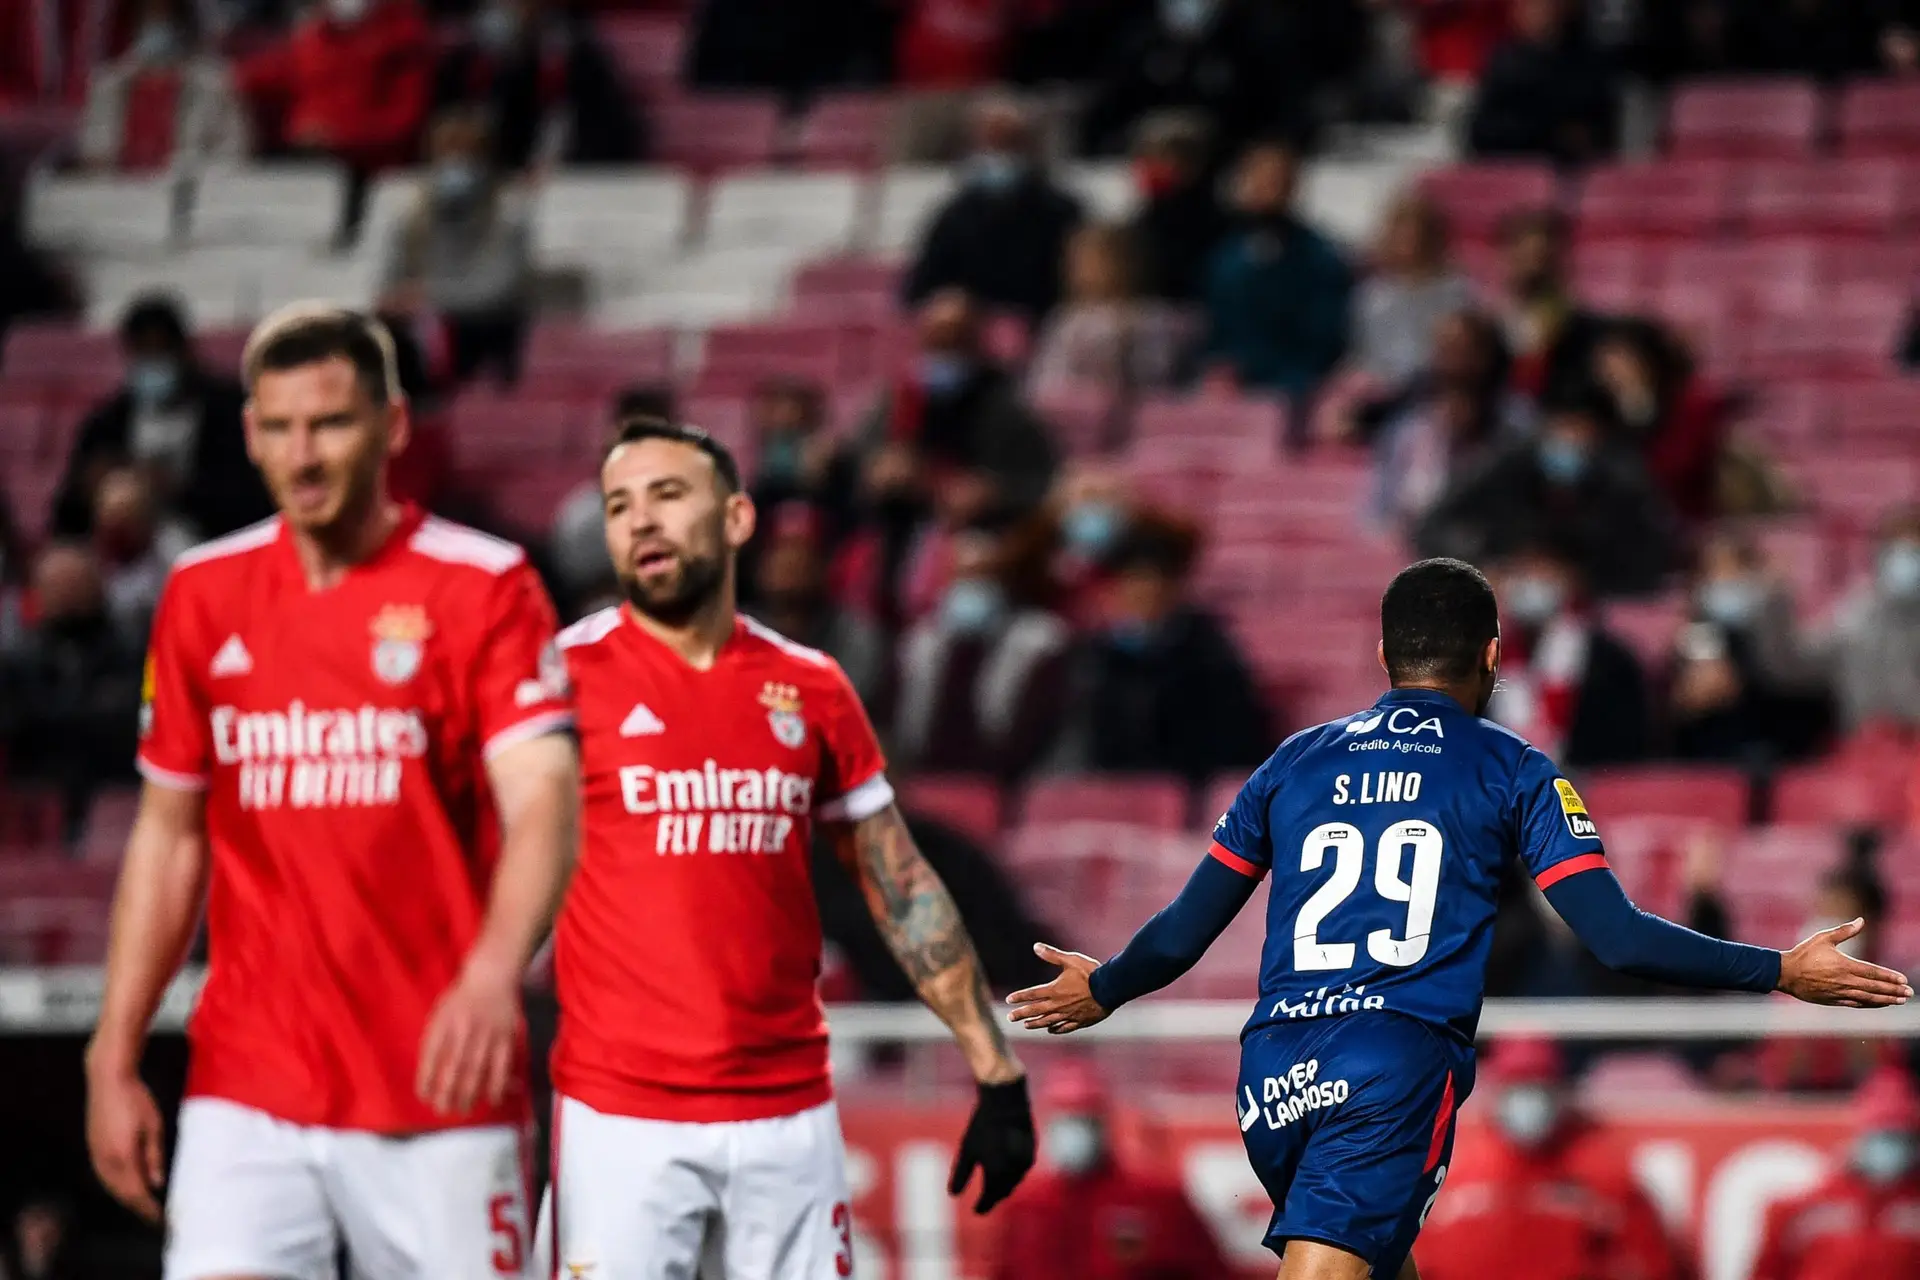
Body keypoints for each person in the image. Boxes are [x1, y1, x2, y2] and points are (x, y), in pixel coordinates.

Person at [1007, 557, 1911, 1280]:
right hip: (1390, 1067)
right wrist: (1782, 971)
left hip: (1271, 1072)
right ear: (1491, 657)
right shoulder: (1516, 770)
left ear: (1382, 658)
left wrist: (1106, 987)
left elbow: (1177, 933)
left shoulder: (1290, 763)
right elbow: (1618, 937)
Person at [84, 305, 579, 1277]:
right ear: (250, 435)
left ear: (393, 426)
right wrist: (114, 1049)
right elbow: (169, 834)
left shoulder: (484, 586)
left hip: (440, 1080)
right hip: (248, 1082)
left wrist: (490, 974)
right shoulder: (202, 592)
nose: (302, 454)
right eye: (279, 427)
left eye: (331, 424)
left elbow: (546, 807)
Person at [538, 415, 1036, 1276]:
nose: (642, 521)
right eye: (620, 506)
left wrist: (992, 1063)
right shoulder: (556, 679)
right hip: (619, 1115)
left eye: (667, 495)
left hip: (785, 1117)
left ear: (735, 520)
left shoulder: (810, 686)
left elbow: (899, 882)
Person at [1416, 1038, 1686, 1280]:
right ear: (1496, 1089)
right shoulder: (1451, 1173)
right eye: (1516, 1084)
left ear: (1561, 1088)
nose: (1529, 1098)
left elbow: (1651, 1265)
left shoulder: (1606, 1177)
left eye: (1540, 1083)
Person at [1045, 513, 1270, 784]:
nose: (1142, 594)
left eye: (1152, 582)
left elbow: (1232, 744)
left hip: (1187, 792)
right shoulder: (1093, 656)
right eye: (1131, 582)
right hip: (1107, 788)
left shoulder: (1211, 654)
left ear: (1174, 587)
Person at [1415, 388, 1678, 598]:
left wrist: (1583, 576)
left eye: (1580, 430)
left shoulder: (1623, 483)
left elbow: (1655, 557)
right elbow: (1432, 527)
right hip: (1502, 590)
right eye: (1561, 427)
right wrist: (1486, 563)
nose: (1569, 439)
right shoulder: (1503, 466)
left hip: (1589, 607)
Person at [51, 294, 268, 545]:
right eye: (143, 354)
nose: (152, 366)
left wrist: (175, 489)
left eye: (160, 352)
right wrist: (87, 491)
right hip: (123, 556)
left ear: (184, 352)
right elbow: (65, 519)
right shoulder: (107, 423)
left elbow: (252, 501)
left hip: (207, 540)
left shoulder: (229, 412)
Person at [990, 1059, 1231, 1280]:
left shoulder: (1157, 1198)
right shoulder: (1027, 1206)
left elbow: (1208, 1270)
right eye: (1064, 1118)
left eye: (1083, 1119)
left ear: (1102, 1122)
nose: (1072, 1132)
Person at [893, 518, 1072, 778]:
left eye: (985, 574)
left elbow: (1039, 732)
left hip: (1007, 784)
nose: (974, 585)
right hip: (924, 781)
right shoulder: (919, 643)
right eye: (964, 575)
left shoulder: (1041, 640)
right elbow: (896, 729)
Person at [379, 107, 534, 384]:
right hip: (423, 330)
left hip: (483, 331)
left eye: (467, 153)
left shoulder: (509, 213)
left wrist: (430, 296)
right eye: (447, 152)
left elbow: (500, 289)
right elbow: (391, 281)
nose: (455, 162)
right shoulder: (412, 214)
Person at [0, 544, 145, 838]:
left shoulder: (134, 651)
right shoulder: (17, 661)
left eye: (75, 582)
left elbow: (135, 723)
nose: (66, 593)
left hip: (120, 793)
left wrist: (54, 717)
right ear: (36, 593)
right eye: (55, 585)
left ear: (99, 586)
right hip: (38, 800)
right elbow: (17, 730)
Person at [903, 96, 1085, 322]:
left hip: (1048, 326)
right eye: (990, 143)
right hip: (972, 334)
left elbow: (1082, 285)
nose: (998, 155)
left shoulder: (1063, 212)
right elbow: (918, 290)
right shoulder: (954, 216)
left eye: (1009, 143)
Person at [1200, 137, 1354, 404]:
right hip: (1230, 384)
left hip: (1296, 382)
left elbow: (1324, 335)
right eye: (1259, 178)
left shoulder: (1320, 257)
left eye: (1277, 180)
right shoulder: (1221, 253)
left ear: (1294, 185)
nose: (1267, 189)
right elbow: (1215, 327)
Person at [1666, 530, 1828, 763]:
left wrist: (1773, 607)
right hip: (1716, 757)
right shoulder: (1698, 629)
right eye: (1716, 571)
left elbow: (1794, 676)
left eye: (1736, 569)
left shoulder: (1776, 623)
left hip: (1782, 752)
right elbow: (1705, 687)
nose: (1726, 579)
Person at [1484, 539, 1650, 767]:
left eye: (1543, 571)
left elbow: (1628, 748)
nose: (1530, 581)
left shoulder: (1609, 660)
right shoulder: (1486, 661)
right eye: (1521, 570)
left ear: (1571, 579)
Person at [1751, 1066, 1920, 1279]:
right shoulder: (1802, 1209)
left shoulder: (1914, 1208)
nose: (1889, 1145)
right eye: (1880, 1133)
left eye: (1899, 1137)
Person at [433, 0, 641, 171]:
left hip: (565, 190)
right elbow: (437, 134)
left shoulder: (578, 58)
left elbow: (615, 144)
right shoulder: (466, 62)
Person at [78, 0, 248, 172]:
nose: (158, 25)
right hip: (119, 193)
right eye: (149, 17)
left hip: (189, 191)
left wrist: (188, 174)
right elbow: (93, 154)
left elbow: (232, 155)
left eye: (167, 17)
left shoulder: (215, 84)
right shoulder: (107, 86)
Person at [750, 501, 887, 710]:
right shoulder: (734, 632)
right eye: (779, 550)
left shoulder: (854, 636)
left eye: (802, 552)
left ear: (824, 564)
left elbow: (846, 717)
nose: (789, 563)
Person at [1590, 317, 1727, 526]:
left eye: (1619, 357)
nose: (1610, 368)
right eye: (1605, 359)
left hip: (1686, 518)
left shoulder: (1691, 407)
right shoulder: (1597, 415)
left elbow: (1678, 467)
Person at [1027, 223, 1189, 397]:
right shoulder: (1067, 319)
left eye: (1092, 261)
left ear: (1126, 263)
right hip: (1070, 411)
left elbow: (1161, 375)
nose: (1080, 270)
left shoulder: (1152, 318)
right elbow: (1045, 379)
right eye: (1076, 262)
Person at [1349, 192, 1473, 397]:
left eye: (1417, 235)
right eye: (1402, 236)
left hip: (1440, 390)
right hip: (1383, 391)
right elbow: (1365, 356)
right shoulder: (1371, 296)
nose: (1410, 244)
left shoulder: (1457, 292)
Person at [1465, 0, 1619, 165]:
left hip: (1574, 172)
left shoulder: (1587, 65)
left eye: (1546, 5)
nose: (1538, 13)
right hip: (1512, 168)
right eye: (1530, 6)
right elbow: (1483, 134)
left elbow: (1600, 133)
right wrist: (1549, 133)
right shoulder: (1503, 64)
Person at [1828, 507, 1920, 731]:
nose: (1905, 563)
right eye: (1897, 552)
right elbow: (1800, 662)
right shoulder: (1859, 608)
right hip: (1868, 741)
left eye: (1914, 554)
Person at [1125, 110, 1230, 305]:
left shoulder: (1220, 226)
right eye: (1146, 157)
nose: (1149, 167)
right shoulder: (1141, 224)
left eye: (1160, 157)